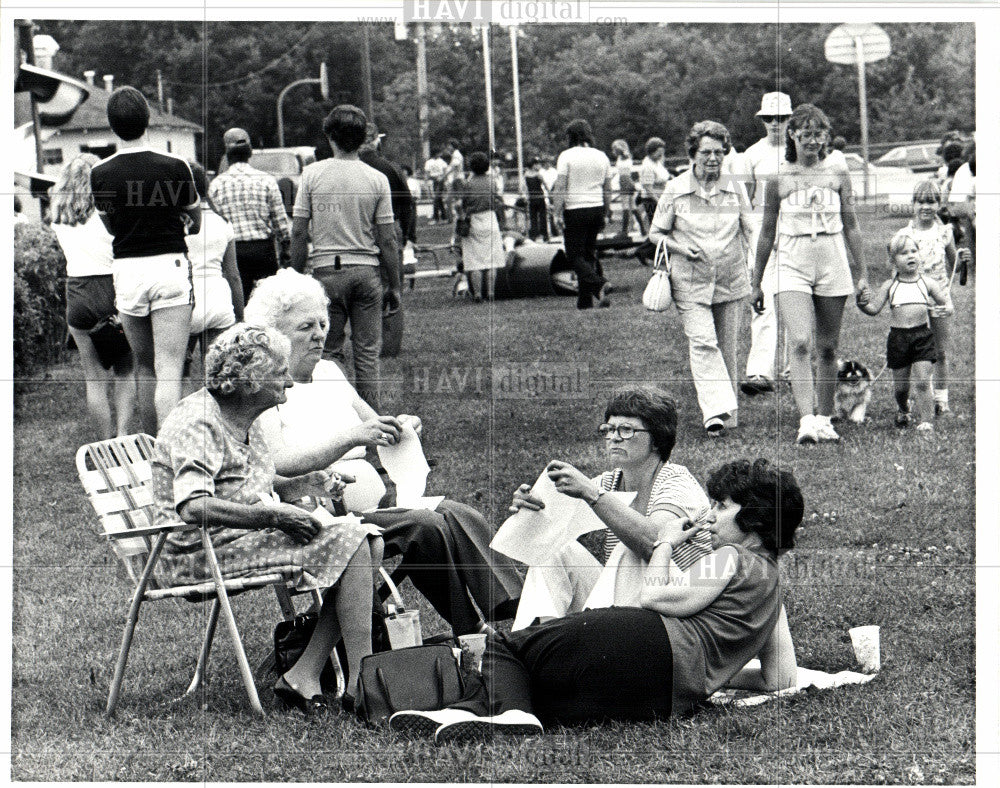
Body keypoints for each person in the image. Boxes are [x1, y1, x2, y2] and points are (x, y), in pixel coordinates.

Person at [389, 458, 802, 742]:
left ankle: (495, 711)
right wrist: (711, 674)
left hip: (649, 642)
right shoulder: (773, 587)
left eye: (722, 506)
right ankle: (469, 713)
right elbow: (779, 679)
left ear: (756, 520)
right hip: (666, 696)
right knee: (544, 697)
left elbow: (655, 596)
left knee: (507, 644)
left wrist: (665, 544)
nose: (709, 515)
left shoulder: (730, 557)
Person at [245, 269, 523, 635]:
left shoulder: (330, 371)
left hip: (370, 504)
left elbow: (375, 425)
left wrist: (400, 428)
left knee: (458, 513)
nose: (319, 334)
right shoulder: (267, 390)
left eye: (323, 323)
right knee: (427, 527)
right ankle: (470, 629)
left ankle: (517, 607)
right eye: (305, 327)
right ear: (274, 333)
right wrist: (350, 437)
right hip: (325, 516)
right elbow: (277, 464)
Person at [151, 323, 382, 712]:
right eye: (280, 374)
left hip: (232, 538)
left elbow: (247, 479)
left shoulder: (244, 416)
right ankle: (365, 686)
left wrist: (305, 483)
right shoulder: (200, 422)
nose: (290, 383)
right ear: (250, 381)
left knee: (369, 542)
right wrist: (272, 516)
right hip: (195, 552)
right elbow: (193, 505)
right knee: (356, 541)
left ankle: (307, 674)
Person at [509, 386, 712, 631]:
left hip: (674, 610)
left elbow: (655, 543)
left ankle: (559, 650)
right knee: (556, 550)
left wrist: (592, 494)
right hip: (624, 607)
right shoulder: (609, 482)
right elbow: (541, 535)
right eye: (609, 429)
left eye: (626, 430)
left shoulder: (677, 483)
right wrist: (530, 506)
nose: (614, 437)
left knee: (630, 554)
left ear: (658, 438)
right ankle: (538, 642)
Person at [750, 103, 869, 445]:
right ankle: (806, 421)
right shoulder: (778, 178)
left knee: (828, 347)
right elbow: (767, 232)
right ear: (793, 135)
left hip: (831, 257)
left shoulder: (838, 172)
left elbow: (852, 225)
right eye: (806, 134)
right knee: (800, 342)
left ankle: (825, 417)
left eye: (820, 134)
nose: (813, 142)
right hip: (791, 260)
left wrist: (862, 275)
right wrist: (755, 282)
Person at [90, 86, 200, 435]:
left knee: (145, 367)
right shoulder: (176, 166)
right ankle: (172, 449)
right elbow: (195, 219)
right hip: (169, 265)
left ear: (111, 124)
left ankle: (152, 444)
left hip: (128, 269)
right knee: (170, 367)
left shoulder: (101, 173)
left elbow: (109, 224)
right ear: (148, 119)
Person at [289, 104, 401, 411]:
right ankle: (373, 424)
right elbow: (388, 239)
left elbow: (299, 234)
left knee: (330, 353)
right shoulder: (377, 178)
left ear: (330, 137)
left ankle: (336, 421)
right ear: (364, 137)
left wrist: (295, 275)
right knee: (367, 354)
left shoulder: (312, 174)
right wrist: (396, 284)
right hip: (366, 272)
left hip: (326, 272)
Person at [649, 120, 754, 436]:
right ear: (693, 154)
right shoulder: (676, 188)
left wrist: (759, 266)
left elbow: (750, 227)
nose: (713, 158)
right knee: (703, 342)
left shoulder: (734, 186)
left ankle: (729, 411)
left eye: (719, 152)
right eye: (706, 152)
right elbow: (656, 233)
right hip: (689, 281)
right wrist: (681, 247)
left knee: (727, 346)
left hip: (730, 277)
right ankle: (714, 413)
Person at [50, 153, 136, 439]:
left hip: (78, 292)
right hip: (114, 288)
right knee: (125, 371)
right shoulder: (110, 210)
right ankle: (123, 436)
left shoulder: (59, 217)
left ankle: (104, 442)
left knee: (94, 378)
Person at [856, 229, 949, 431]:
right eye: (904, 253)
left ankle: (926, 422)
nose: (911, 256)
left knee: (923, 382)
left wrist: (946, 308)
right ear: (893, 261)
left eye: (914, 251)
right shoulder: (890, 286)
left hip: (922, 336)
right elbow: (873, 309)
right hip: (898, 338)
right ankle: (904, 408)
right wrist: (861, 304)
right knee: (901, 388)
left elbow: (946, 303)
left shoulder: (927, 283)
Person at [738, 92, 793, 397]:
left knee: (796, 301)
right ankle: (760, 371)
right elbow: (743, 201)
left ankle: (792, 367)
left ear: (789, 120)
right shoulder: (751, 155)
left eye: (782, 118)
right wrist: (751, 238)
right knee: (762, 302)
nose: (776, 124)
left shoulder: (798, 152)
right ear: (762, 121)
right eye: (770, 118)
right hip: (762, 236)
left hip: (795, 233)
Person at [901, 179, 970, 416]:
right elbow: (897, 270)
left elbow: (955, 268)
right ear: (913, 204)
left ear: (938, 204)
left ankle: (942, 401)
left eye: (931, 202)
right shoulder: (905, 234)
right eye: (921, 202)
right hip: (914, 299)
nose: (926, 207)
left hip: (940, 298)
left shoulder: (944, 233)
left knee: (940, 351)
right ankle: (921, 396)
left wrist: (963, 260)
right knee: (918, 352)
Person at [208, 127, 291, 303]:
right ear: (250, 152)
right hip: (264, 251)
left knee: (240, 303)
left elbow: (215, 223)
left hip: (234, 253)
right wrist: (285, 249)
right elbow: (281, 222)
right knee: (269, 303)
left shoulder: (216, 185)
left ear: (227, 153)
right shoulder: (266, 180)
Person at [550, 119, 614, 309]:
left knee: (574, 256)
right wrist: (606, 211)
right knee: (588, 255)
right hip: (596, 207)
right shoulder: (602, 156)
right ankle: (585, 301)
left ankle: (599, 284)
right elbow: (607, 188)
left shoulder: (566, 156)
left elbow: (560, 186)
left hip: (576, 209)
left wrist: (556, 212)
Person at [185, 161, 243, 361]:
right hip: (218, 300)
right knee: (216, 372)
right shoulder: (222, 222)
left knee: (179, 372)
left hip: (185, 301)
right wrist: (240, 316)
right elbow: (233, 275)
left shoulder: (175, 223)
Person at [457, 151, 506, 301]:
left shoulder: (468, 183)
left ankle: (477, 294)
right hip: (490, 218)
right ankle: (491, 293)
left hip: (474, 220)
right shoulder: (492, 182)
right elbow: (499, 201)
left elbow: (462, 204)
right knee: (492, 260)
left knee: (474, 261)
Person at [637, 137, 670, 226]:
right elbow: (648, 188)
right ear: (651, 152)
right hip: (652, 200)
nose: (661, 156)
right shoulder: (648, 165)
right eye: (658, 154)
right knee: (657, 226)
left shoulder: (657, 163)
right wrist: (659, 201)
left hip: (662, 197)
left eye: (662, 153)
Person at [610, 139, 639, 238]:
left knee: (625, 206)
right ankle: (643, 229)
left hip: (624, 182)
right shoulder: (626, 157)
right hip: (629, 181)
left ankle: (624, 231)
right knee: (633, 206)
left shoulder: (623, 157)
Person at [524, 158, 549, 241]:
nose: (538, 166)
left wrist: (526, 197)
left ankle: (534, 235)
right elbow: (545, 185)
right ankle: (544, 235)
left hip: (532, 198)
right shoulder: (538, 175)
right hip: (540, 197)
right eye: (537, 164)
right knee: (542, 216)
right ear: (534, 165)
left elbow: (525, 188)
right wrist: (548, 192)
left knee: (533, 217)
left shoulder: (526, 175)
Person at [425, 150, 449, 223]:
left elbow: (445, 172)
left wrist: (444, 180)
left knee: (436, 199)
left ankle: (436, 218)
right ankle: (444, 217)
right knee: (438, 199)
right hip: (434, 181)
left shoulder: (442, 162)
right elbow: (428, 174)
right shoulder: (429, 162)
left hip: (440, 181)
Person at [443, 138, 465, 221]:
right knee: (453, 200)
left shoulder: (456, 155)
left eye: (449, 146)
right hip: (456, 180)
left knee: (456, 200)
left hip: (457, 180)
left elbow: (454, 167)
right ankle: (455, 217)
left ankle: (458, 217)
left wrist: (445, 175)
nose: (448, 147)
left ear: (453, 146)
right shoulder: (454, 155)